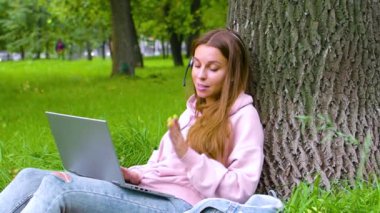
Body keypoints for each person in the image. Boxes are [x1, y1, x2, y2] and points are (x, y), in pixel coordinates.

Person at [0, 29, 265, 212]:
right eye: (196, 65)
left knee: (58, 188)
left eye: (213, 68)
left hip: (181, 205)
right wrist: (133, 174)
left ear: (231, 74)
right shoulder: (192, 112)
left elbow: (239, 189)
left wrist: (188, 155)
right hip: (150, 193)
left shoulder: (243, 117)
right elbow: (161, 167)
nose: (201, 75)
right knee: (30, 176)